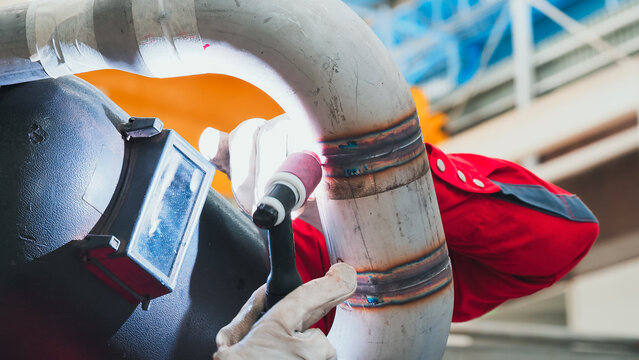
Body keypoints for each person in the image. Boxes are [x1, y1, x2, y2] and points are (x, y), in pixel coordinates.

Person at [206, 114, 599, 357]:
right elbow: (566, 232)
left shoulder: (362, 297)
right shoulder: (337, 266)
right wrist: (380, 178)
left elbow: (565, 236)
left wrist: (373, 184)